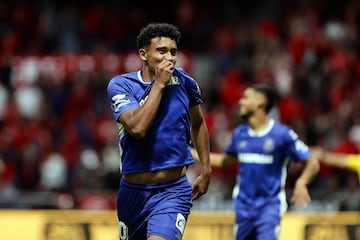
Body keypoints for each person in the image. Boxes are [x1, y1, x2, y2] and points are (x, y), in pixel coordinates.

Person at [107, 22, 211, 240]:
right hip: (132, 193)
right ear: (143, 54)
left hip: (173, 191)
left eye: (173, 52)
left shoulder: (186, 83)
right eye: (162, 51)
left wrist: (207, 169)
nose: (170, 58)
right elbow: (137, 128)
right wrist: (159, 85)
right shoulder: (121, 86)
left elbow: (199, 123)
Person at [192, 84, 319, 240]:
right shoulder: (240, 134)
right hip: (243, 208)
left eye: (246, 98)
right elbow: (224, 162)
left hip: (269, 207)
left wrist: (302, 183)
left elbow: (312, 162)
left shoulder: (281, 135)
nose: (241, 102)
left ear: (261, 102)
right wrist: (189, 152)